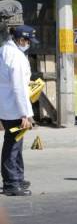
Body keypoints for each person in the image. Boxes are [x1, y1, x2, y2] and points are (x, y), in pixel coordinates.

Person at [0, 25, 39, 196]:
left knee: (16, 143)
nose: (29, 44)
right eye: (28, 41)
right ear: (21, 40)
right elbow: (18, 87)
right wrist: (26, 114)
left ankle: (18, 178)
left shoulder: (4, 50)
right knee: (13, 145)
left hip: (7, 104)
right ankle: (11, 183)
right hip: (15, 108)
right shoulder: (16, 56)